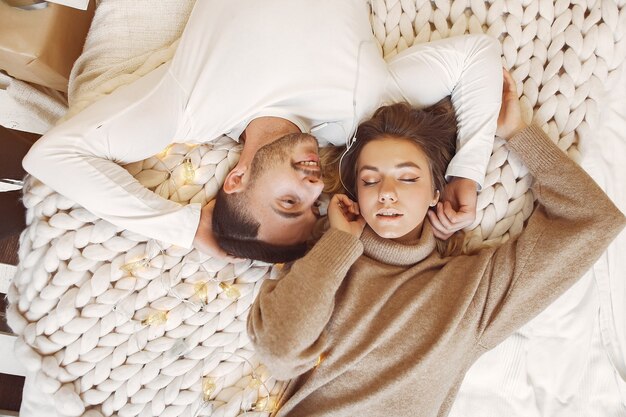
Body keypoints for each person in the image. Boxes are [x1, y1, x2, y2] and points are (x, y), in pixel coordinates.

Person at [246, 70, 626, 417]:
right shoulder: (325, 264)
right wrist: (340, 243)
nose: (387, 194)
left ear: (435, 192)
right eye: (370, 180)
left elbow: (594, 220)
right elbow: (279, 352)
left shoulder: (471, 293)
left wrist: (518, 133)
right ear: (355, 193)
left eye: (408, 179)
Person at [21, 0, 502, 263]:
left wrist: (186, 227)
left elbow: (51, 156)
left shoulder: (189, 107)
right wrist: (467, 172)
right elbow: (476, 57)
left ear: (235, 179)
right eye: (313, 205)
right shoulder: (360, 113)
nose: (316, 186)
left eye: (288, 201)